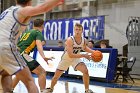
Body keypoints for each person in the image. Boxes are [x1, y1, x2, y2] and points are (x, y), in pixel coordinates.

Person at [0, 0, 64, 93]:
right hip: (6, 47)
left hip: (7, 48)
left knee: (6, 74)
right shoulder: (21, 10)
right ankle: (42, 90)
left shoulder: (7, 11)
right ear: (29, 2)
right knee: (30, 81)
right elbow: (43, 8)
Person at [46, 23, 95, 93]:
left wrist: (94, 52)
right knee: (56, 76)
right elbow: (71, 55)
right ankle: (51, 88)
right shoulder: (70, 40)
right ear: (74, 30)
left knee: (85, 71)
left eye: (79, 30)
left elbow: (84, 48)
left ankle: (87, 90)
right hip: (66, 58)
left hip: (76, 58)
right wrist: (84, 55)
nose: (77, 31)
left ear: (82, 31)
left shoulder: (84, 40)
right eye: (76, 29)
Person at [12, 19, 52, 93]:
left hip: (15, 54)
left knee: (20, 75)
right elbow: (39, 45)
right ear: (42, 26)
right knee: (42, 72)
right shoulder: (38, 32)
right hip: (23, 54)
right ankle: (43, 90)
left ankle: (9, 90)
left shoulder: (28, 32)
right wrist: (43, 57)